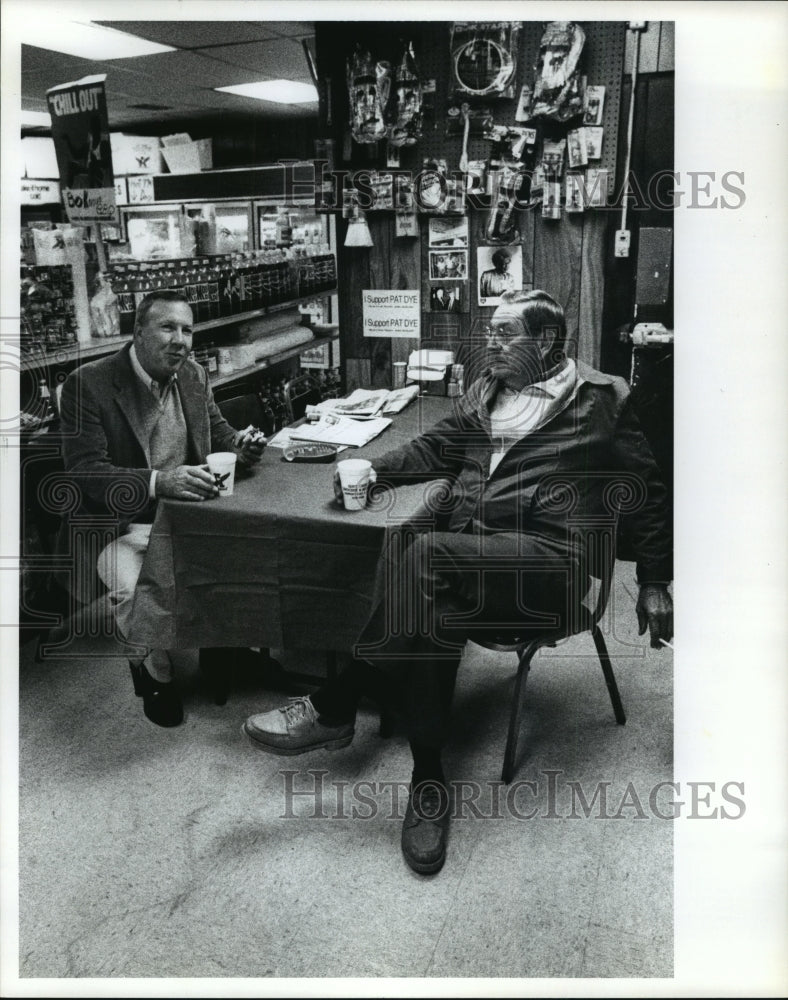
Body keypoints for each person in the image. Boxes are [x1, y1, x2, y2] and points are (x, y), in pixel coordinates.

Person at [242, 289, 673, 875]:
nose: (487, 344)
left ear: (544, 341)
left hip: (550, 566)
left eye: (503, 334)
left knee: (428, 552)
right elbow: (436, 446)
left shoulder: (603, 398)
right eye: (488, 332)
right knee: (433, 610)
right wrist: (373, 467)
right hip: (474, 559)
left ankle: (336, 701)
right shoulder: (486, 391)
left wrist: (653, 581)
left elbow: (646, 491)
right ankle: (428, 785)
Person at [59, 289, 267, 727]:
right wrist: (158, 482)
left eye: (187, 329)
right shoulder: (88, 383)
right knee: (133, 590)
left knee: (251, 557)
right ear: (137, 332)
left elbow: (219, 431)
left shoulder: (191, 375)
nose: (180, 340)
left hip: (192, 515)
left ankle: (222, 655)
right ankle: (154, 672)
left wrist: (241, 447)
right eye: (167, 327)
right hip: (121, 525)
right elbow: (85, 473)